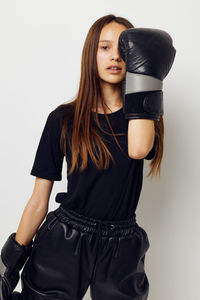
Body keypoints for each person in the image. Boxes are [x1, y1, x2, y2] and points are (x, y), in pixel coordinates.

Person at [0, 14, 176, 300]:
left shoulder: (141, 120)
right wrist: (7, 265)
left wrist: (147, 73)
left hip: (121, 248)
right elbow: (38, 200)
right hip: (64, 240)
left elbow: (139, 150)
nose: (115, 56)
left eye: (125, 49)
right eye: (104, 47)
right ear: (90, 54)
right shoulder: (62, 119)